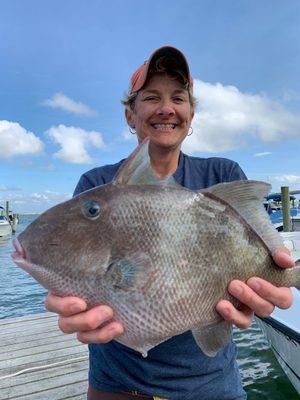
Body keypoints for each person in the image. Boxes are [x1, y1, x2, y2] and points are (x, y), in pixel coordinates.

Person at [45, 46, 294, 400]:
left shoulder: (221, 175)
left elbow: (267, 260)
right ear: (130, 115)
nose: (166, 108)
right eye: (151, 97)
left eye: (178, 97)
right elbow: (80, 270)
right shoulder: (97, 188)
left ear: (191, 114)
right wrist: (65, 295)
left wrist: (276, 282)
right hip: (118, 385)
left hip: (211, 385)